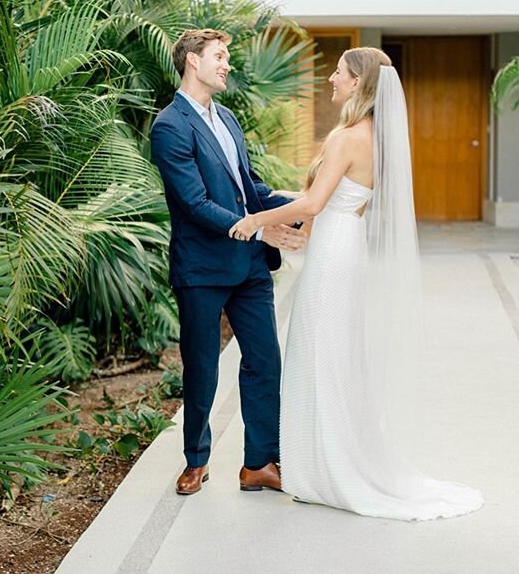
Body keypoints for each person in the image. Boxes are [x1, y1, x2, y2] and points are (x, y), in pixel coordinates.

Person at [229, 47, 484, 520]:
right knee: (333, 352)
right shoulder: (376, 137)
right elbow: (335, 203)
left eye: (339, 73)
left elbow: (311, 205)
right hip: (347, 246)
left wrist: (254, 219)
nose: (331, 78)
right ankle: (324, 458)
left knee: (320, 352)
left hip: (332, 257)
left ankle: (325, 467)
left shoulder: (347, 137)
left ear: (358, 84)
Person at [150, 29, 307, 495]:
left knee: (264, 361)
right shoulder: (169, 126)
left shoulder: (230, 120)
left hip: (251, 266)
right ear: (192, 62)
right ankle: (195, 460)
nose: (227, 65)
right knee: (202, 367)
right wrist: (261, 226)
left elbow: (250, 188)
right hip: (201, 269)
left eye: (227, 57)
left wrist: (300, 205)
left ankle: (259, 463)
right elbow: (195, 203)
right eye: (219, 56)